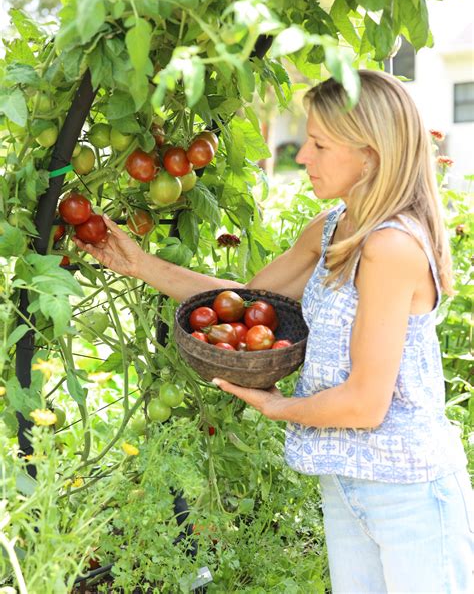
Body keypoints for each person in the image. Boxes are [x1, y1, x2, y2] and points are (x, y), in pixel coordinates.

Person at [73, 70, 473, 593]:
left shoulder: (390, 247)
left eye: (320, 144)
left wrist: (278, 407)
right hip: (348, 485)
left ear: (371, 154)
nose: (302, 155)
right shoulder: (335, 227)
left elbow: (365, 404)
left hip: (409, 494)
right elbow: (244, 302)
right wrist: (139, 264)